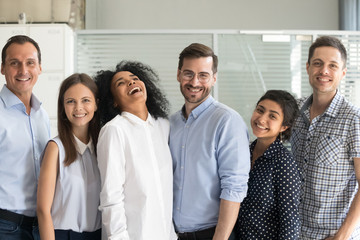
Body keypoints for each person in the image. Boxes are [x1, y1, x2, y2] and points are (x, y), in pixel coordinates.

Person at [169, 43, 250, 240]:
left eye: (203, 75)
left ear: (214, 78)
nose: (195, 81)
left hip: (212, 234)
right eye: (188, 73)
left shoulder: (227, 121)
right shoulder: (170, 123)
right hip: (172, 234)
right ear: (178, 74)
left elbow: (234, 187)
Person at [95, 60, 176, 239]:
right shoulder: (114, 130)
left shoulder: (163, 126)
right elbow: (111, 196)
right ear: (114, 101)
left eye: (134, 78)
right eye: (121, 83)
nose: (131, 82)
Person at [291, 36, 360, 239]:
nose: (324, 71)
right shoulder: (294, 110)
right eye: (318, 63)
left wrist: (341, 236)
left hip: (332, 235)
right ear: (308, 67)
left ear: (343, 72)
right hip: (294, 232)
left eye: (333, 65)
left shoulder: (353, 119)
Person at [37, 73, 101, 240]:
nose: (78, 108)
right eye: (70, 101)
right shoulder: (55, 149)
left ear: (96, 104)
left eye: (86, 100)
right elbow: (43, 210)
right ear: (63, 108)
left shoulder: (104, 147)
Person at [0, 35, 50, 240]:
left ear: (39, 67)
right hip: (5, 226)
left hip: (38, 227)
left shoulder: (42, 115)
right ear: (2, 68)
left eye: (30, 63)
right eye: (14, 63)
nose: (23, 71)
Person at [236, 90, 301, 239]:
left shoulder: (283, 163)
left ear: (284, 126)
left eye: (272, 116)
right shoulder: (244, 153)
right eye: (260, 110)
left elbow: (290, 224)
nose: (261, 119)